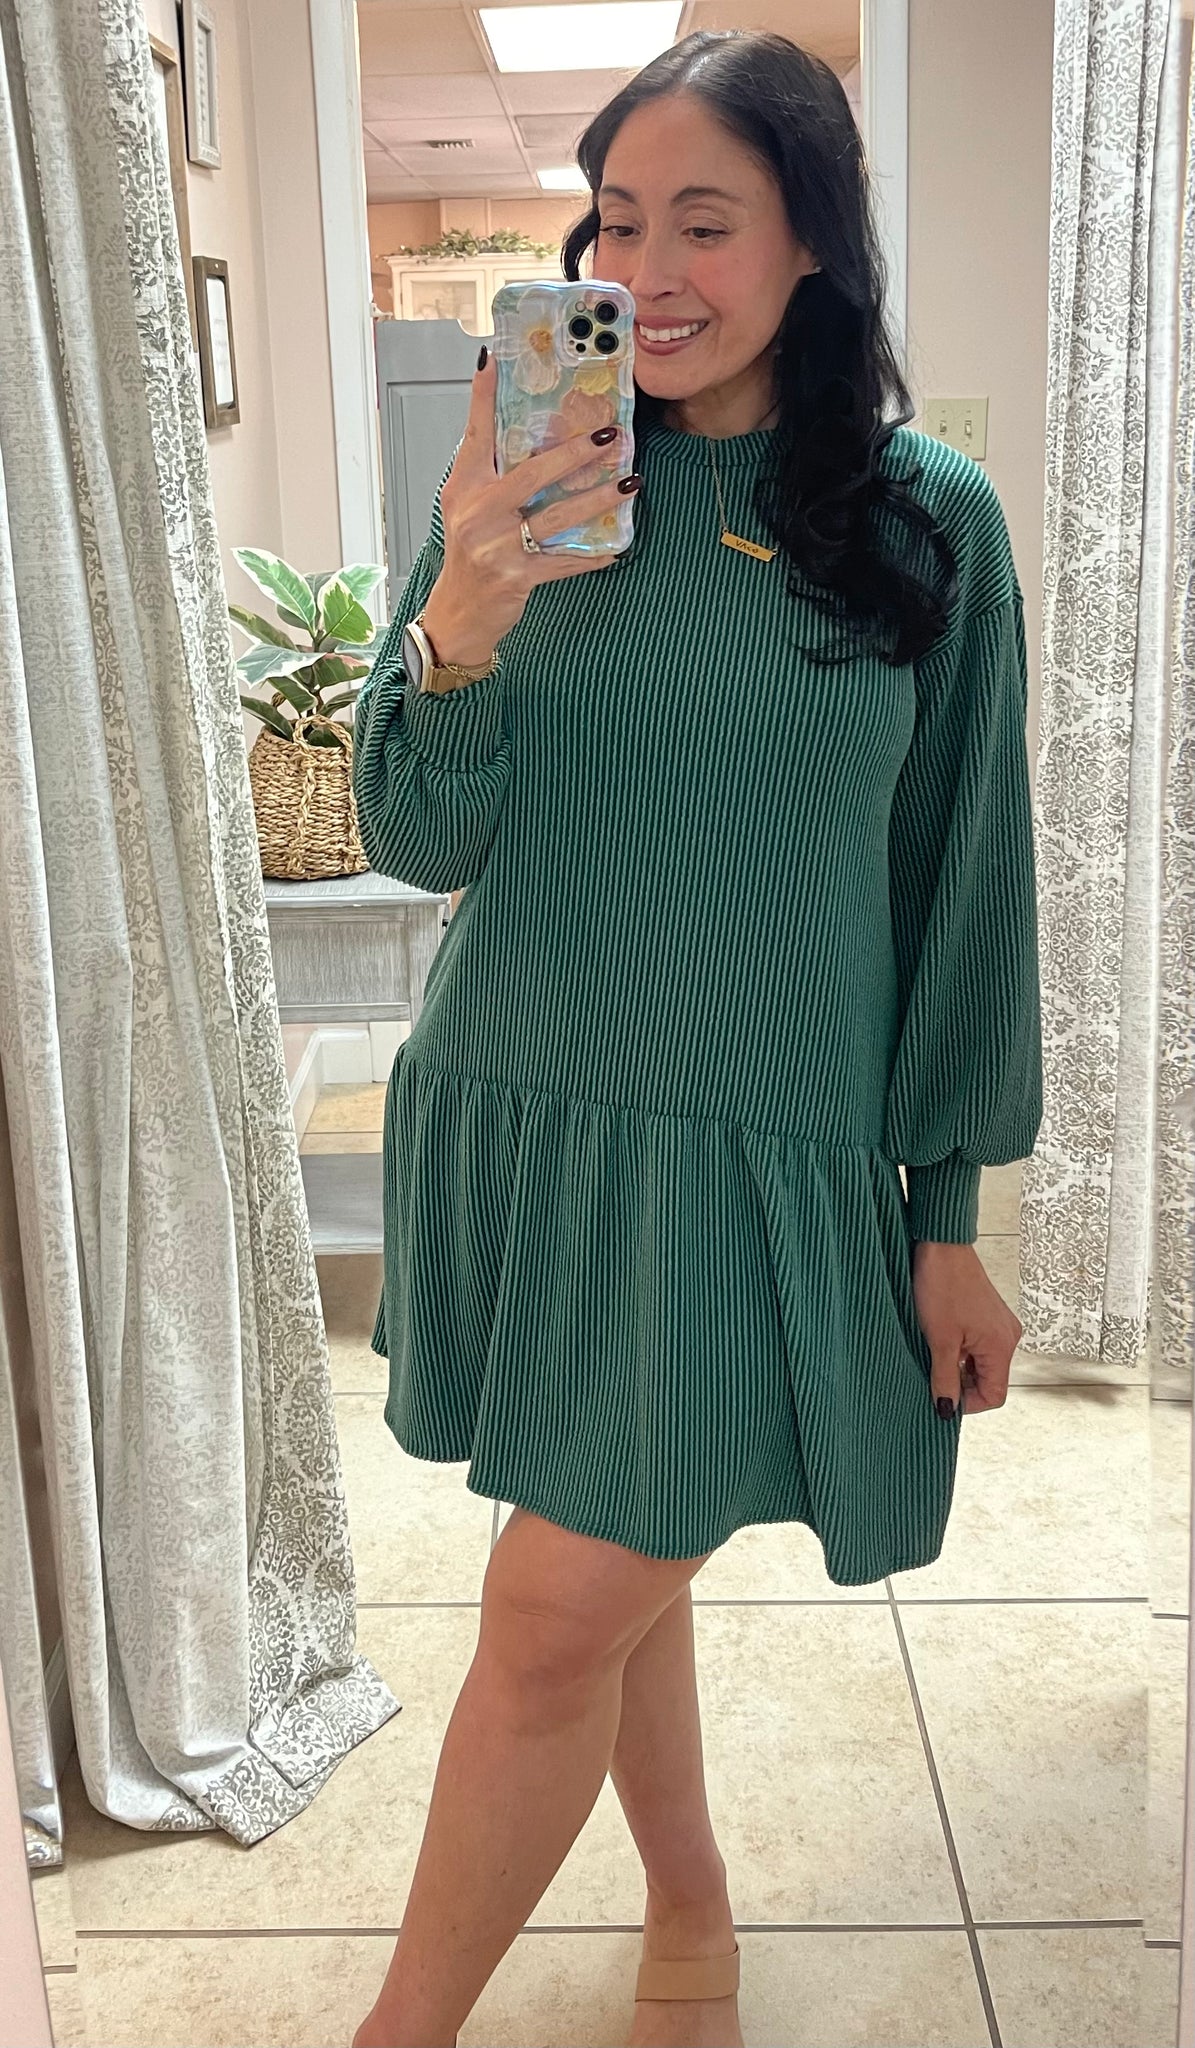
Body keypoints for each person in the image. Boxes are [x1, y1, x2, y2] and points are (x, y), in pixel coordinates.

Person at [349, 29, 1042, 2048]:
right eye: (614, 219)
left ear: (814, 242)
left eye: (704, 223)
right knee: (596, 1570)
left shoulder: (927, 525)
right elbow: (420, 837)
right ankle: (692, 1903)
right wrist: (460, 619)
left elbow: (961, 884)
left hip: (754, 1147)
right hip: (530, 1105)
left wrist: (943, 1208)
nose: (644, 272)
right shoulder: (521, 483)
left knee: (557, 1604)